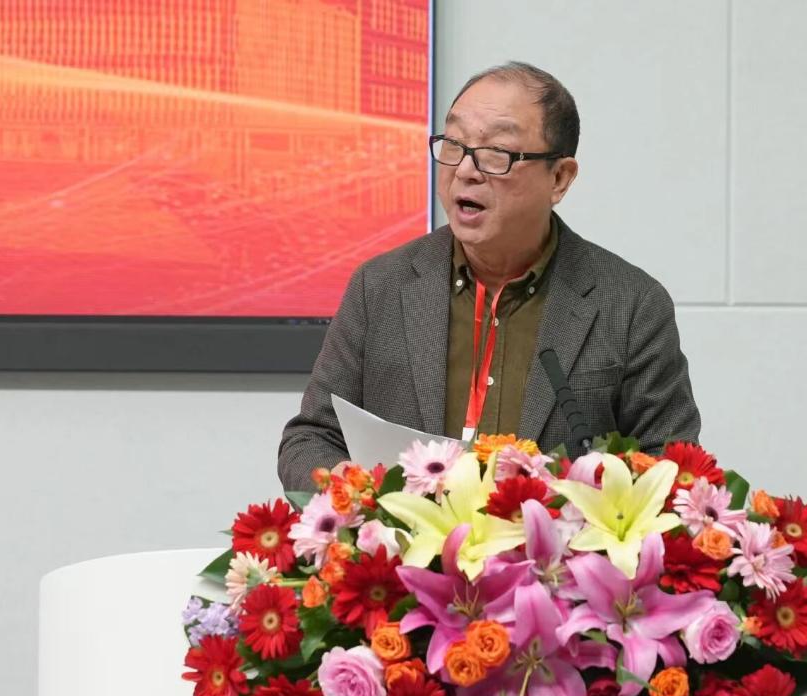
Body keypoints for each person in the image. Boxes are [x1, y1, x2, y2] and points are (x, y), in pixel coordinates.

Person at [278, 61, 700, 493]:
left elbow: (669, 464)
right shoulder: (381, 287)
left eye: (497, 152)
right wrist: (358, 495)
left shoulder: (630, 304)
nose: (465, 170)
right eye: (454, 144)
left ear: (559, 178)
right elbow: (312, 438)